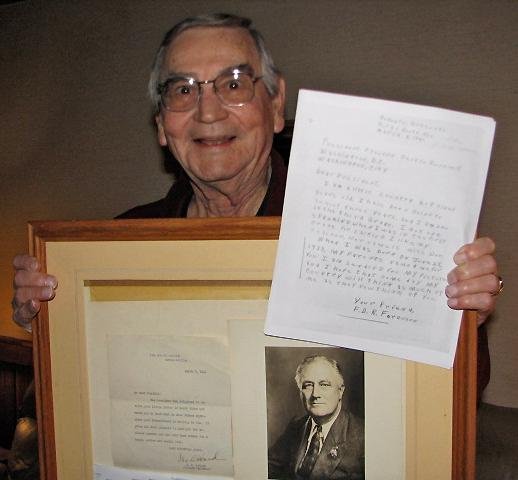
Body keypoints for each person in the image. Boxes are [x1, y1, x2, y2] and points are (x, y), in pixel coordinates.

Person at [9, 12, 502, 477]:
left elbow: (433, 409)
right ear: (161, 123)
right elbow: (72, 421)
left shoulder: (364, 234)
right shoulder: (113, 251)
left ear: (275, 103)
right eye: (182, 89)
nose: (207, 110)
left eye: (234, 84)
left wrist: (459, 313)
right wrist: (55, 326)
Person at [268, 355, 364, 480]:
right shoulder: (296, 427)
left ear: (340, 391)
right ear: (300, 392)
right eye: (308, 385)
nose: (315, 394)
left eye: (324, 385)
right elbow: (267, 467)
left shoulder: (363, 435)